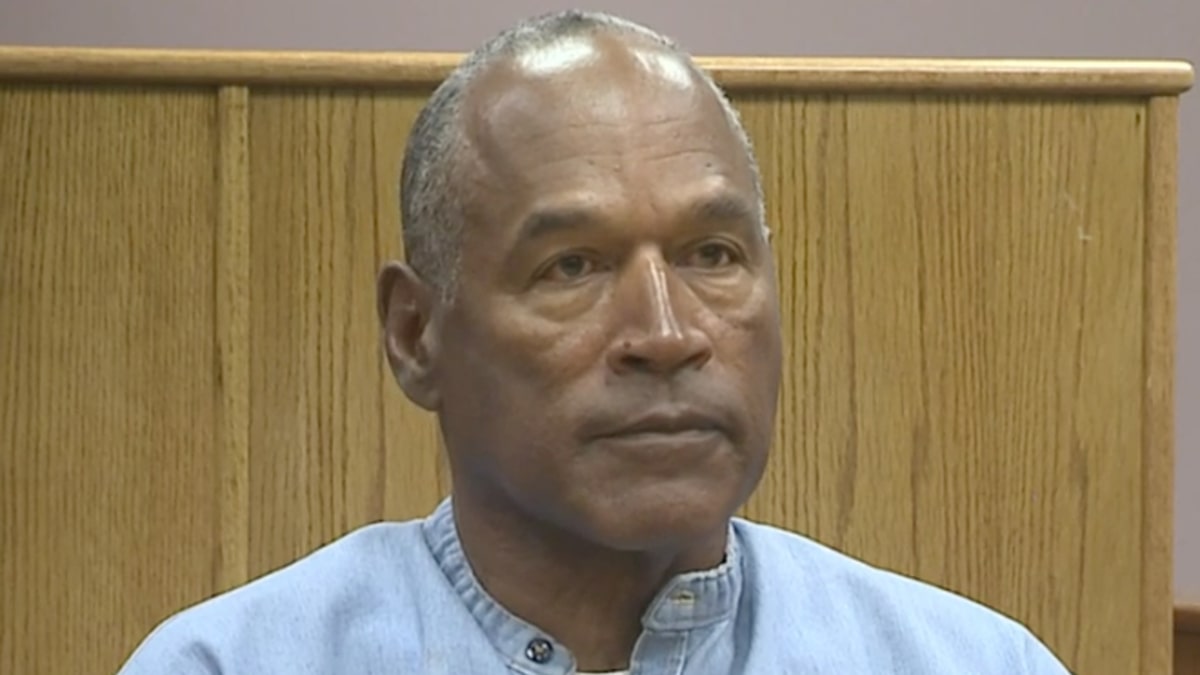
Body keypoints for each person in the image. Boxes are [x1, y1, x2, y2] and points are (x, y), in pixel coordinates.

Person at [118, 10, 1069, 675]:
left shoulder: (978, 663)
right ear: (416, 334)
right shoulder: (226, 665)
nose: (666, 333)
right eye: (572, 266)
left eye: (712, 254)